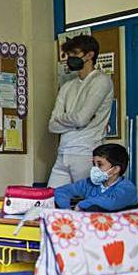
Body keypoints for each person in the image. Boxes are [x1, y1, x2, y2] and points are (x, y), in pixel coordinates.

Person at [48, 35, 114, 187]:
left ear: (90, 55)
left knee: (87, 202)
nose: (70, 57)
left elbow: (81, 119)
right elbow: (52, 126)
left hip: (86, 152)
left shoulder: (101, 81)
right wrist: (74, 120)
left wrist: (64, 119)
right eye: (69, 54)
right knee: (51, 202)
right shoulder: (67, 86)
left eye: (75, 53)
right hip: (63, 151)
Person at [54, 143, 137, 212]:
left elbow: (112, 202)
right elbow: (61, 191)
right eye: (94, 164)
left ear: (115, 169)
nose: (94, 168)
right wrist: (67, 211)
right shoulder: (88, 183)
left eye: (100, 164)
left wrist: (82, 204)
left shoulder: (128, 188)